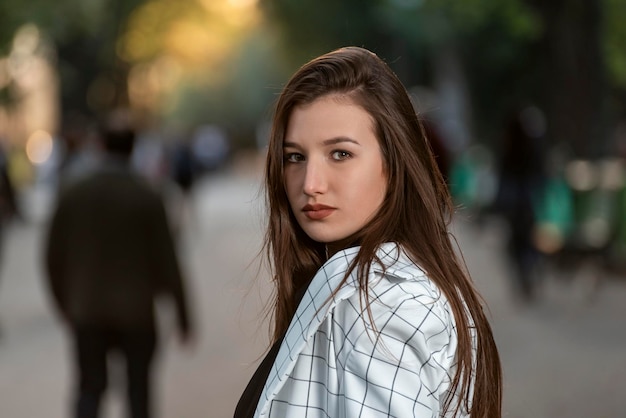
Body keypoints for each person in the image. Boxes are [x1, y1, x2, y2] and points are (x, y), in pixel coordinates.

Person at [235, 47, 502, 417]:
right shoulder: (393, 282)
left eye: (340, 154)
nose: (310, 184)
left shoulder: (377, 302)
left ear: (394, 163)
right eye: (295, 156)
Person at [43, 110, 193, 418]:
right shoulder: (148, 195)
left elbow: (52, 255)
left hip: (87, 310)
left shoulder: (74, 192)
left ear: (99, 145)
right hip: (136, 312)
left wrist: (65, 303)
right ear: (133, 147)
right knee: (139, 393)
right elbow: (167, 258)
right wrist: (182, 314)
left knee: (89, 390)